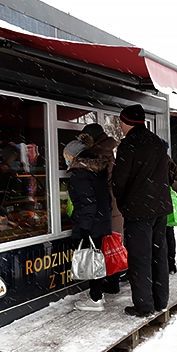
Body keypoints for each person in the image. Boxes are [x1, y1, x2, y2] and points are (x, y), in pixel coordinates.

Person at [111, 105, 171, 317]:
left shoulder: (129, 145)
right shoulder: (156, 142)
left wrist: (123, 201)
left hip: (139, 210)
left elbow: (118, 180)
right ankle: (161, 300)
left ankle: (144, 306)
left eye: (120, 122)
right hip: (160, 208)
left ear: (127, 122)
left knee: (140, 258)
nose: (120, 126)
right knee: (158, 254)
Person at [64, 133, 113, 312]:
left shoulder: (80, 174)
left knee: (92, 260)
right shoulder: (95, 171)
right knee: (96, 258)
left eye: (66, 155)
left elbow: (88, 202)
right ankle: (97, 295)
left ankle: (95, 299)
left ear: (73, 156)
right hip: (100, 220)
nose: (65, 158)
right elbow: (105, 199)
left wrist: (84, 226)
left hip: (91, 223)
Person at [81, 122, 122, 294]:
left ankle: (105, 287)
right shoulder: (109, 152)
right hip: (114, 207)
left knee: (100, 249)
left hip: (104, 209)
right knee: (111, 246)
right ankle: (113, 282)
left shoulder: (97, 155)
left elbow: (96, 186)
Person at [165, 145, 177, 274]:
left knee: (168, 233)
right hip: (157, 203)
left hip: (167, 202)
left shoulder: (170, 164)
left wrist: (171, 183)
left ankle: (171, 262)